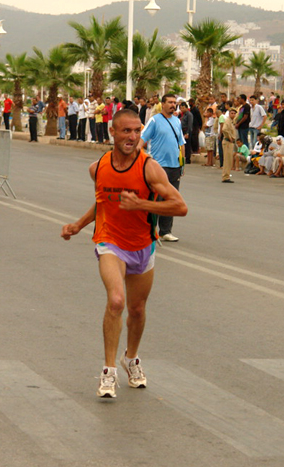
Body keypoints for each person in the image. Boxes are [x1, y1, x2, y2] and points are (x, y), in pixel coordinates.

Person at [60, 109, 188, 399]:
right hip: (110, 242)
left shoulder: (149, 168)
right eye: (126, 131)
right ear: (113, 133)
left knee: (138, 310)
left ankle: (131, 358)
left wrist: (142, 205)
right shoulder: (98, 167)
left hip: (143, 245)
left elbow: (180, 207)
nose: (132, 137)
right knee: (116, 301)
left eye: (137, 131)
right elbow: (103, 203)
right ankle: (108, 371)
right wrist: (77, 226)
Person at [139, 94, 185, 242]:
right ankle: (150, 230)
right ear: (162, 104)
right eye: (170, 102)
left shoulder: (177, 121)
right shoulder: (154, 121)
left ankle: (166, 231)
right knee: (155, 199)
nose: (173, 105)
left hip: (174, 166)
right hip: (158, 166)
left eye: (174, 102)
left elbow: (181, 143)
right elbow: (142, 139)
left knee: (170, 199)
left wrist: (182, 163)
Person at [221, 108, 237, 182]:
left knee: (229, 160)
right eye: (232, 113)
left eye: (234, 113)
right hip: (227, 142)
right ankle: (226, 176)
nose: (233, 115)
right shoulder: (227, 120)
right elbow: (224, 129)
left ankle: (226, 175)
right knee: (227, 160)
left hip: (230, 142)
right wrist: (229, 137)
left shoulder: (231, 121)